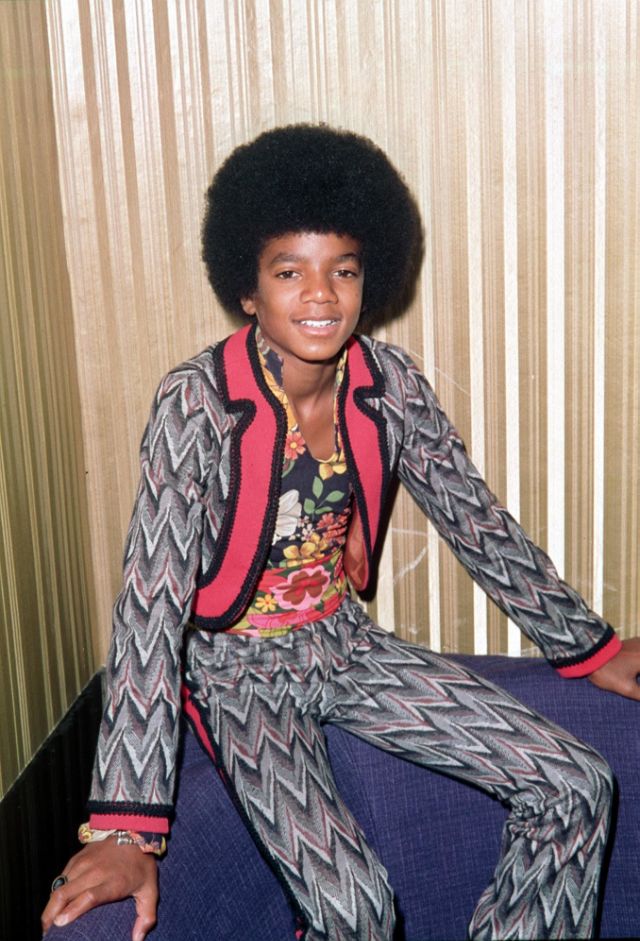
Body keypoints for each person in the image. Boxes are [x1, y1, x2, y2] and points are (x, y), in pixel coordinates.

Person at [42, 125, 640, 941]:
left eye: (343, 270)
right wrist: (123, 828)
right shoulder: (197, 402)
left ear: (369, 278)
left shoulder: (390, 385)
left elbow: (476, 522)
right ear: (248, 289)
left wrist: (589, 647)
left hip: (343, 643)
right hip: (236, 674)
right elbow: (151, 600)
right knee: (354, 907)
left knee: (576, 785)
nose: (321, 295)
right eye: (290, 271)